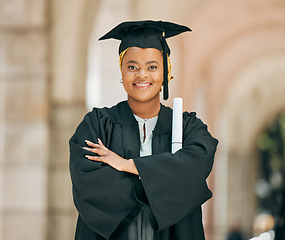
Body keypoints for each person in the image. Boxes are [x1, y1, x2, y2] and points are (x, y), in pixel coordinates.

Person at [69, 20, 219, 240]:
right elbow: (89, 184)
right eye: (132, 67)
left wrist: (128, 165)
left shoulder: (188, 127)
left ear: (166, 72)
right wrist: (162, 180)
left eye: (152, 67)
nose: (142, 75)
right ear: (121, 71)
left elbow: (196, 166)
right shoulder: (97, 124)